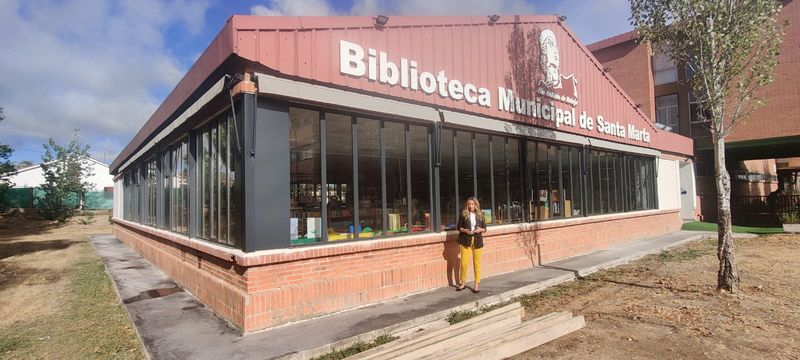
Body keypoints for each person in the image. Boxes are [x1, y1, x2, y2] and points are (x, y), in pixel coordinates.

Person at [456, 196, 487, 294]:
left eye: (472, 204)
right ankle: (463, 282)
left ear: (476, 205)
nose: (470, 206)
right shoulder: (464, 214)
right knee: (464, 263)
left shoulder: (480, 214)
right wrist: (466, 231)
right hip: (466, 240)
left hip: (477, 240)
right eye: (469, 204)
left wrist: (480, 230)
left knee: (476, 263)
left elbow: (485, 228)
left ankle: (476, 284)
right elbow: (459, 227)